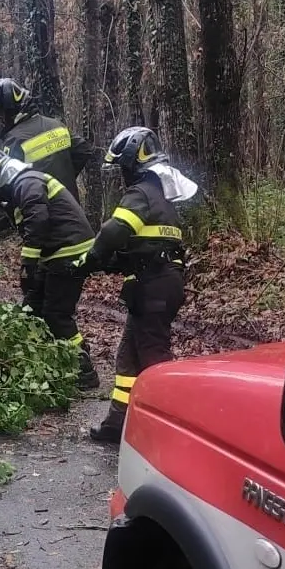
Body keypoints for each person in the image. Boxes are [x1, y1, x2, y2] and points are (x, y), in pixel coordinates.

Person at [82, 127, 198, 443]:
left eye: (122, 165)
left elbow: (115, 231)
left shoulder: (141, 192)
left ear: (134, 160)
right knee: (128, 358)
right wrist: (110, 262)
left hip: (154, 286)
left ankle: (173, 428)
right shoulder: (161, 193)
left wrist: (91, 258)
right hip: (157, 281)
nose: (121, 173)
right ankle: (118, 424)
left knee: (153, 356)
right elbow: (143, 246)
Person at [0, 148, 100, 390]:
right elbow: (14, 220)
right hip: (58, 251)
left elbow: (38, 220)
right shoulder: (22, 184)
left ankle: (84, 370)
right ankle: (52, 357)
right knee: (33, 307)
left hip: (68, 252)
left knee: (55, 314)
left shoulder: (26, 182)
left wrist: (28, 265)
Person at [0, 78, 92, 202]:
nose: (0, 120)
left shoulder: (13, 141)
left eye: (0, 114)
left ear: (9, 110)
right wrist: (64, 179)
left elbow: (9, 186)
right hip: (72, 210)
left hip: (41, 214)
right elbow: (83, 150)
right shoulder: (57, 125)